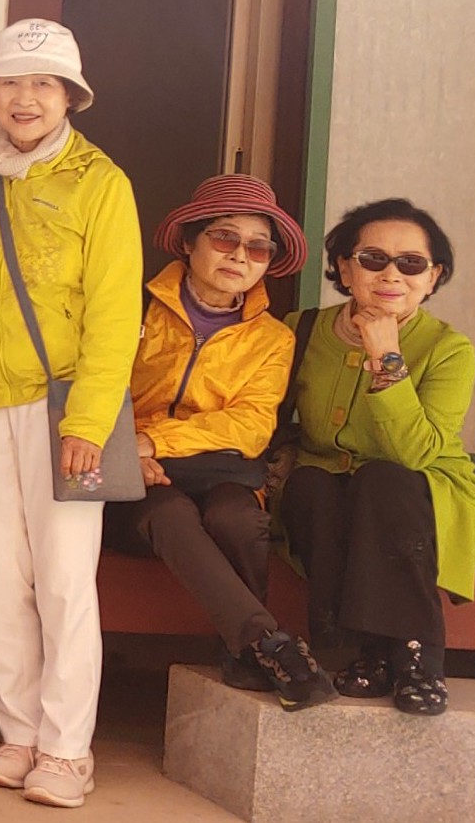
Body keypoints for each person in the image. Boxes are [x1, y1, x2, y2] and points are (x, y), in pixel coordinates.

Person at [0, 19, 141, 810]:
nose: (24, 98)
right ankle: (19, 733)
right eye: (10, 83)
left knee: (64, 579)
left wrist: (89, 423)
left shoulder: (101, 182)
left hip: (64, 404)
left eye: (41, 84)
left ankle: (66, 750)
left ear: (70, 96)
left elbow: (115, 313)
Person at [115, 175, 334, 710]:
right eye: (224, 237)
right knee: (169, 514)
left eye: (258, 247)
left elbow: (250, 425)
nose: (240, 255)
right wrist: (126, 452)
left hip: (219, 471)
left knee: (237, 519)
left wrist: (153, 440)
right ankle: (265, 644)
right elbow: (97, 391)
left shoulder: (273, 338)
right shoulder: (130, 309)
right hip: (127, 472)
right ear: (189, 241)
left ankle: (245, 650)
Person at [280, 198, 475, 717]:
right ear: (345, 268)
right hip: (326, 483)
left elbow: (416, 452)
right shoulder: (300, 330)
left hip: (421, 486)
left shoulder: (449, 348)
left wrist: (386, 357)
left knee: (382, 482)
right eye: (373, 259)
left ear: (433, 277)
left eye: (411, 263)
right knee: (311, 485)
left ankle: (416, 655)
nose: (392, 274)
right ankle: (365, 648)